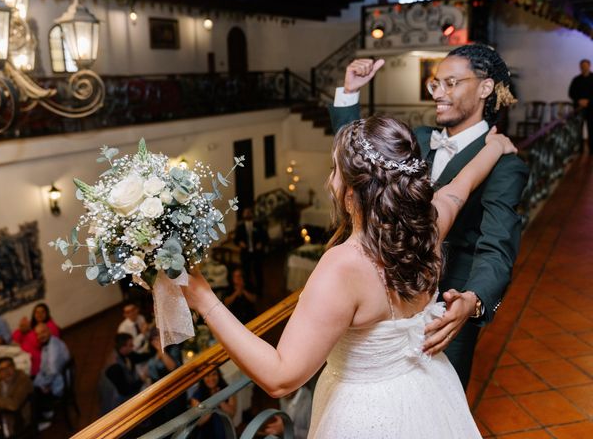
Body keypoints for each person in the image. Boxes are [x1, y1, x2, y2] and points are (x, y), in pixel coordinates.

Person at [180, 114, 517, 438]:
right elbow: (461, 188)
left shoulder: (343, 266)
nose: (330, 179)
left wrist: (203, 299)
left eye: (335, 171)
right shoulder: (427, 228)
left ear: (353, 191)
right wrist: (495, 147)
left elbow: (281, 377)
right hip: (428, 389)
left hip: (366, 414)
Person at [329, 45, 529, 389]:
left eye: (451, 83)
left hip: (447, 305)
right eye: (436, 84)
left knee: (437, 399)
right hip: (385, 295)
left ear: (485, 88)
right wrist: (350, 93)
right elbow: (358, 159)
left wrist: (473, 299)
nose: (439, 93)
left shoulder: (505, 164)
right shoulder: (419, 138)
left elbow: (497, 246)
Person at [0, 357, 34, 439]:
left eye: (9, 367)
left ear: (14, 366)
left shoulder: (23, 380)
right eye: (2, 370)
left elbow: (14, 405)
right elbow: (3, 397)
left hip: (17, 423)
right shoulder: (2, 380)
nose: (7, 371)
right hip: (4, 418)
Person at [99, 333, 150, 414]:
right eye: (130, 345)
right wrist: (141, 379)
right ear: (123, 348)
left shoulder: (123, 352)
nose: (133, 346)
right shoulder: (115, 368)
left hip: (124, 387)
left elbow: (137, 358)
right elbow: (125, 391)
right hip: (117, 400)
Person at [32, 323, 70, 426]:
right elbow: (43, 368)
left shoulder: (53, 347)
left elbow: (52, 372)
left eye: (43, 332)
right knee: (33, 383)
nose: (41, 336)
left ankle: (47, 416)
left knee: (32, 393)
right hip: (54, 378)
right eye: (38, 334)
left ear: (49, 331)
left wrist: (41, 384)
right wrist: (38, 382)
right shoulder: (48, 343)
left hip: (60, 383)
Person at [12, 303, 61, 376]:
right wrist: (21, 329)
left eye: (42, 312)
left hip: (43, 359)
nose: (39, 314)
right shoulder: (34, 324)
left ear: (47, 313)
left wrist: (28, 331)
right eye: (37, 312)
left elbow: (39, 343)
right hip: (26, 355)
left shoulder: (50, 326)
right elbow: (15, 337)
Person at [189, 369, 236, 439]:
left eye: (214, 374)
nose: (211, 378)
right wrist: (213, 402)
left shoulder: (228, 390)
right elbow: (199, 422)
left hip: (225, 431)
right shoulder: (196, 396)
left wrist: (219, 399)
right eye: (207, 375)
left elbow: (232, 414)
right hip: (205, 434)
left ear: (219, 375)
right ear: (203, 378)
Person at [233, 207, 268, 293]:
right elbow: (236, 239)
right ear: (243, 215)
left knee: (258, 271)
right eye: (246, 212)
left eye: (249, 212)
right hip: (245, 253)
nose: (247, 214)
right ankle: (249, 289)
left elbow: (265, 237)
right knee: (246, 272)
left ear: (252, 214)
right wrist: (240, 243)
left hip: (257, 252)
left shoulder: (258, 225)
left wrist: (261, 243)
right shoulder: (240, 226)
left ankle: (260, 290)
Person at [568, 58, 593, 154]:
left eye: (586, 66)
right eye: (582, 66)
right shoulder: (576, 80)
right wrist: (579, 100)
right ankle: (580, 149)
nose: (584, 67)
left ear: (589, 66)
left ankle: (592, 150)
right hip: (579, 108)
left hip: (591, 108)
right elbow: (571, 93)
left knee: (592, 129)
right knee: (578, 130)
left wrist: (588, 101)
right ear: (580, 67)